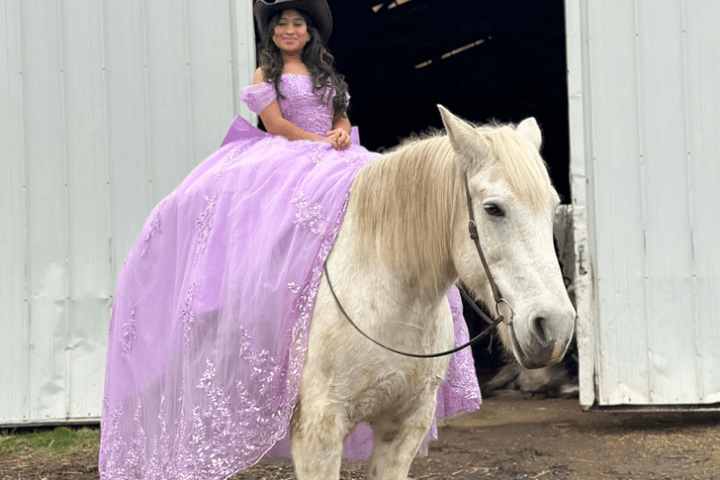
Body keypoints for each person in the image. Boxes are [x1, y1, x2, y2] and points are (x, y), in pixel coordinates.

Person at [99, 1, 480, 478]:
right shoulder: (267, 71)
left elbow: (341, 117)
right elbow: (276, 127)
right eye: (281, 23)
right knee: (275, 225)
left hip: (336, 154)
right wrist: (320, 144)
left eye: (297, 23)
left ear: (310, 31)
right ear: (272, 32)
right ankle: (271, 303)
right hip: (285, 157)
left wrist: (340, 135)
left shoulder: (327, 73)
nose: (289, 30)